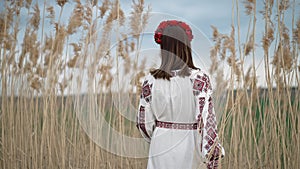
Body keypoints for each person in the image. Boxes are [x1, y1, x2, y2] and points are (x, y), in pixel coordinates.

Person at [136, 20, 225, 169]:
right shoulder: (199, 78)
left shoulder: (150, 80)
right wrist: (211, 151)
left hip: (160, 145)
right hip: (190, 143)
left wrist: (160, 133)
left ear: (163, 48)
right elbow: (206, 118)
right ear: (186, 46)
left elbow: (143, 123)